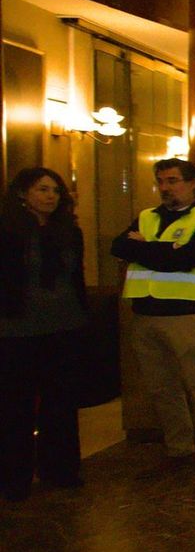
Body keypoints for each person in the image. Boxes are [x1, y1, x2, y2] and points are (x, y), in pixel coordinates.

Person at [112, 158, 195, 484]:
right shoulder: (147, 217)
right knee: (162, 388)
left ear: (192, 184)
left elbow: (190, 258)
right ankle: (179, 449)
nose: (166, 188)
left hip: (188, 316)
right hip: (145, 315)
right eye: (161, 181)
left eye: (173, 181)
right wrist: (166, 250)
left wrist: (145, 248)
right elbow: (118, 246)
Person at [0, 168, 88, 500]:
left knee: (61, 402)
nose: (50, 196)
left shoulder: (68, 232)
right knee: (16, 405)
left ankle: (61, 469)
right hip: (17, 329)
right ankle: (15, 477)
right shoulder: (8, 232)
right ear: (23, 194)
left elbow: (76, 279)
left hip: (64, 325)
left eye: (55, 190)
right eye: (42, 189)